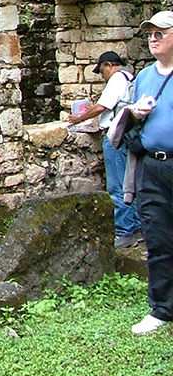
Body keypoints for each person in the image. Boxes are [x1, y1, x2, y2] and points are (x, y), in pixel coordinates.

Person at [68, 50, 142, 248]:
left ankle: (124, 232)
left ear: (109, 65)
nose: (102, 76)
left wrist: (79, 118)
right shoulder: (131, 77)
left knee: (117, 186)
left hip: (116, 137)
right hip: (129, 135)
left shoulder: (117, 78)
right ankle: (135, 229)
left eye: (102, 71)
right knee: (129, 183)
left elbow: (103, 106)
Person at [128, 10, 173, 335]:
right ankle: (162, 308)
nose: (153, 38)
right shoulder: (143, 77)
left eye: (160, 33)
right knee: (157, 238)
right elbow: (126, 117)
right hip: (152, 167)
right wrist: (133, 113)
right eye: (150, 33)